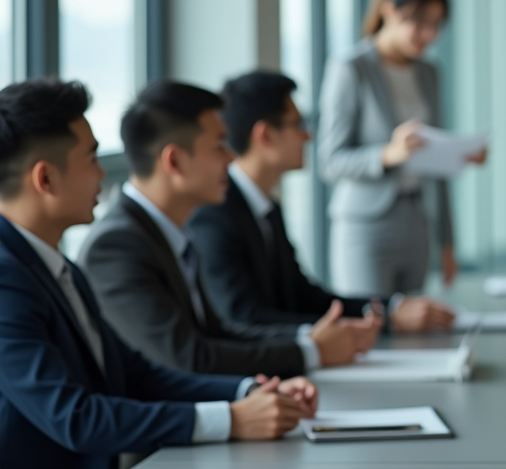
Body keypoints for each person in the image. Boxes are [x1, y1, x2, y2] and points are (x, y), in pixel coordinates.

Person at [0, 79, 317, 469]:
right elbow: (75, 417)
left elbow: (136, 375)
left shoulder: (58, 268)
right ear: (45, 179)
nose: (104, 175)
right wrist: (231, 419)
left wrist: (250, 390)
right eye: (92, 159)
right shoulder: (7, 278)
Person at [78, 81, 377, 378]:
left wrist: (309, 344)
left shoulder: (168, 231)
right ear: (175, 160)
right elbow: (187, 358)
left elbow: (216, 334)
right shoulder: (117, 246)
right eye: (219, 146)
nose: (231, 157)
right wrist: (310, 351)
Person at [188, 70, 456, 333]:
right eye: (298, 124)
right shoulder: (215, 216)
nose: (309, 136)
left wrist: (390, 309)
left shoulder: (265, 209)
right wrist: (354, 328)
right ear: (265, 136)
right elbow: (245, 319)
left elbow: (304, 296)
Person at [320, 0, 484, 298]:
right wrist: (388, 154)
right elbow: (330, 161)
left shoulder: (429, 73)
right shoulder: (351, 68)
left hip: (417, 223)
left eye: (437, 24)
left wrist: (448, 242)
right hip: (365, 227)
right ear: (388, 11)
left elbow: (436, 170)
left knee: (415, 333)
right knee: (371, 331)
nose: (428, 34)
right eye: (420, 21)